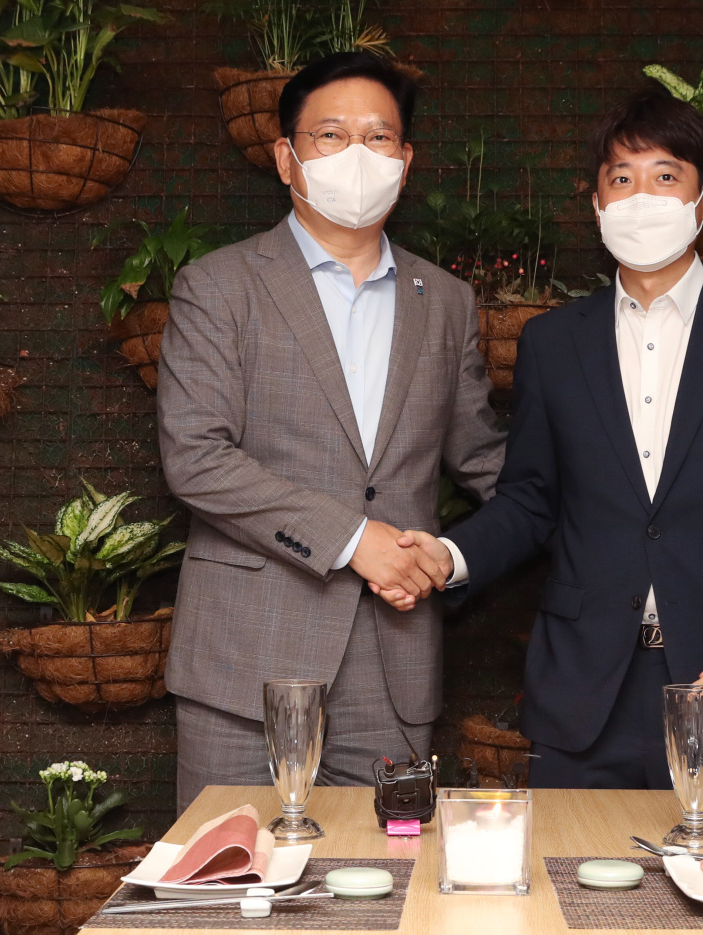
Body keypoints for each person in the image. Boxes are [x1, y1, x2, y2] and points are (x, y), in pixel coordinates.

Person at [380, 85, 703, 819]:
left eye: (667, 177)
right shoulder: (553, 342)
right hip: (584, 700)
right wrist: (450, 558)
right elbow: (532, 498)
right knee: (573, 918)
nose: (643, 197)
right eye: (622, 178)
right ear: (598, 203)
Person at [157, 52, 504, 814]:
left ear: (405, 162)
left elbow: (485, 462)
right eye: (331, 135)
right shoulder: (220, 285)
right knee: (228, 894)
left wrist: (456, 554)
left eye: (379, 139)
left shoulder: (445, 301)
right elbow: (197, 457)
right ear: (287, 158)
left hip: (395, 664)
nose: (359, 156)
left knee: (388, 901)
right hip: (245, 666)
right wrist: (356, 540)